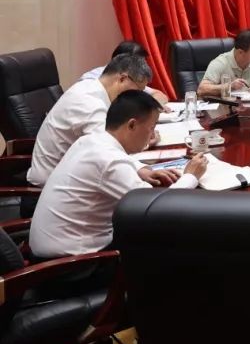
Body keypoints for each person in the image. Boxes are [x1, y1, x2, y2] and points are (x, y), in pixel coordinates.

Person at [30, 90, 207, 259]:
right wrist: (191, 176)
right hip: (72, 264)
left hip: (54, 246)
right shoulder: (110, 162)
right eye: (152, 127)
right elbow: (159, 209)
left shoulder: (89, 140)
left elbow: (114, 165)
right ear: (131, 125)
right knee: (172, 239)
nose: (153, 135)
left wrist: (140, 171)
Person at [30, 54, 157, 187]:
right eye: (138, 90)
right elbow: (107, 148)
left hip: (74, 172)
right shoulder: (88, 102)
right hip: (53, 183)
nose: (138, 97)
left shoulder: (92, 88)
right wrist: (140, 168)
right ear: (122, 79)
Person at [80, 40, 168, 104]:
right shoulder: (91, 80)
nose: (143, 67)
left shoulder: (132, 79)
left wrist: (153, 106)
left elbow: (160, 95)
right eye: (139, 64)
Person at [199, 29, 250, 97]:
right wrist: (229, 86)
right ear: (241, 52)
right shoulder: (220, 63)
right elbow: (201, 89)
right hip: (227, 108)